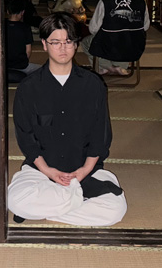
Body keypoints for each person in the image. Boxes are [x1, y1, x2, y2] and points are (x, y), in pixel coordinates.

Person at [8, 12, 127, 226]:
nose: (63, 48)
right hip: (42, 170)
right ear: (44, 44)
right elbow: (26, 138)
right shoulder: (29, 88)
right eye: (55, 42)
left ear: (76, 44)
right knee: (15, 200)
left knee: (115, 210)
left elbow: (101, 135)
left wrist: (83, 171)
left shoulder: (93, 85)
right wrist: (48, 171)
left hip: (85, 170)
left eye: (68, 41)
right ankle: (72, 200)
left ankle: (47, 208)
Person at [81, 0, 149, 76]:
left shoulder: (105, 1)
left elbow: (93, 29)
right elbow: (145, 26)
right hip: (134, 47)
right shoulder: (140, 0)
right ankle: (121, 67)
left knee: (86, 42)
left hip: (109, 47)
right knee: (127, 37)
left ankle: (107, 67)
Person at [5, 0, 41, 75]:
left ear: (8, 11)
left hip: (4, 65)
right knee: (43, 69)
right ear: (22, 12)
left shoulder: (2, 26)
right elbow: (28, 51)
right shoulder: (25, 27)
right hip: (21, 66)